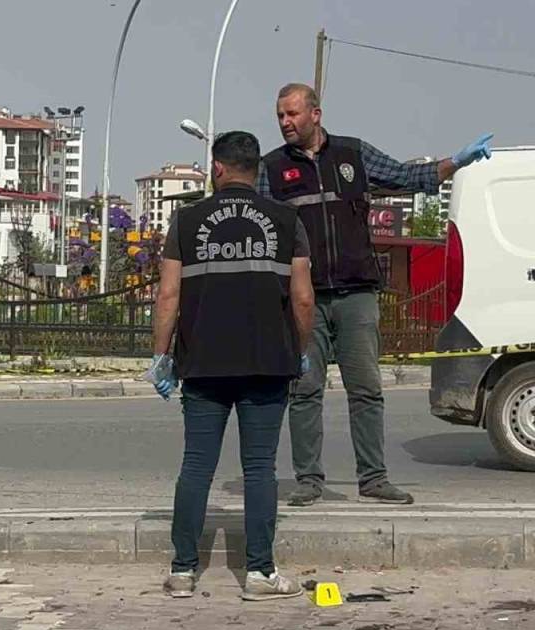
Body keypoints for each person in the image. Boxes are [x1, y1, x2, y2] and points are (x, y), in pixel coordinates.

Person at [259, 83, 493, 507]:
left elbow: (407, 177)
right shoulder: (271, 168)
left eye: (292, 114)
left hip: (357, 296)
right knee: (305, 391)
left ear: (315, 114)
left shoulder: (353, 154)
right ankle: (309, 481)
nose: (285, 123)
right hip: (304, 300)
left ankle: (373, 478)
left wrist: (456, 161)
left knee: (366, 390)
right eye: (280, 116)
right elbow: (257, 228)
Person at [146, 131, 315, 600]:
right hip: (268, 362)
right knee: (260, 468)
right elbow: (303, 298)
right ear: (256, 170)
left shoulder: (186, 221)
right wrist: (299, 350)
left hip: (203, 363)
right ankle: (260, 574)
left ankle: (183, 571)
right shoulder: (287, 220)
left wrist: (160, 356)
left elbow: (168, 295)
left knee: (197, 466)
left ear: (217, 168)